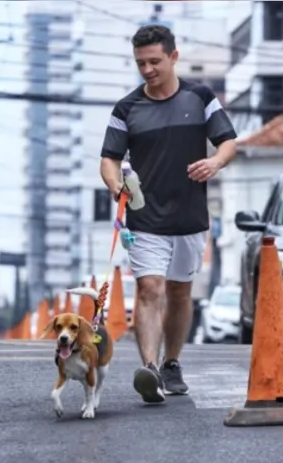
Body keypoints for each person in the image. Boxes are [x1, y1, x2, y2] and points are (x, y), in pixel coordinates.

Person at [99, 25, 238, 404]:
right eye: (140, 63)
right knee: (149, 289)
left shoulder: (200, 96)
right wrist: (115, 185)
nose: (147, 69)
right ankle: (149, 368)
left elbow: (228, 142)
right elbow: (109, 159)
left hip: (190, 217)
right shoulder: (127, 108)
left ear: (173, 57)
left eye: (154, 61)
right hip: (145, 217)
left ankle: (171, 362)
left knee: (180, 293)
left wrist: (214, 162)